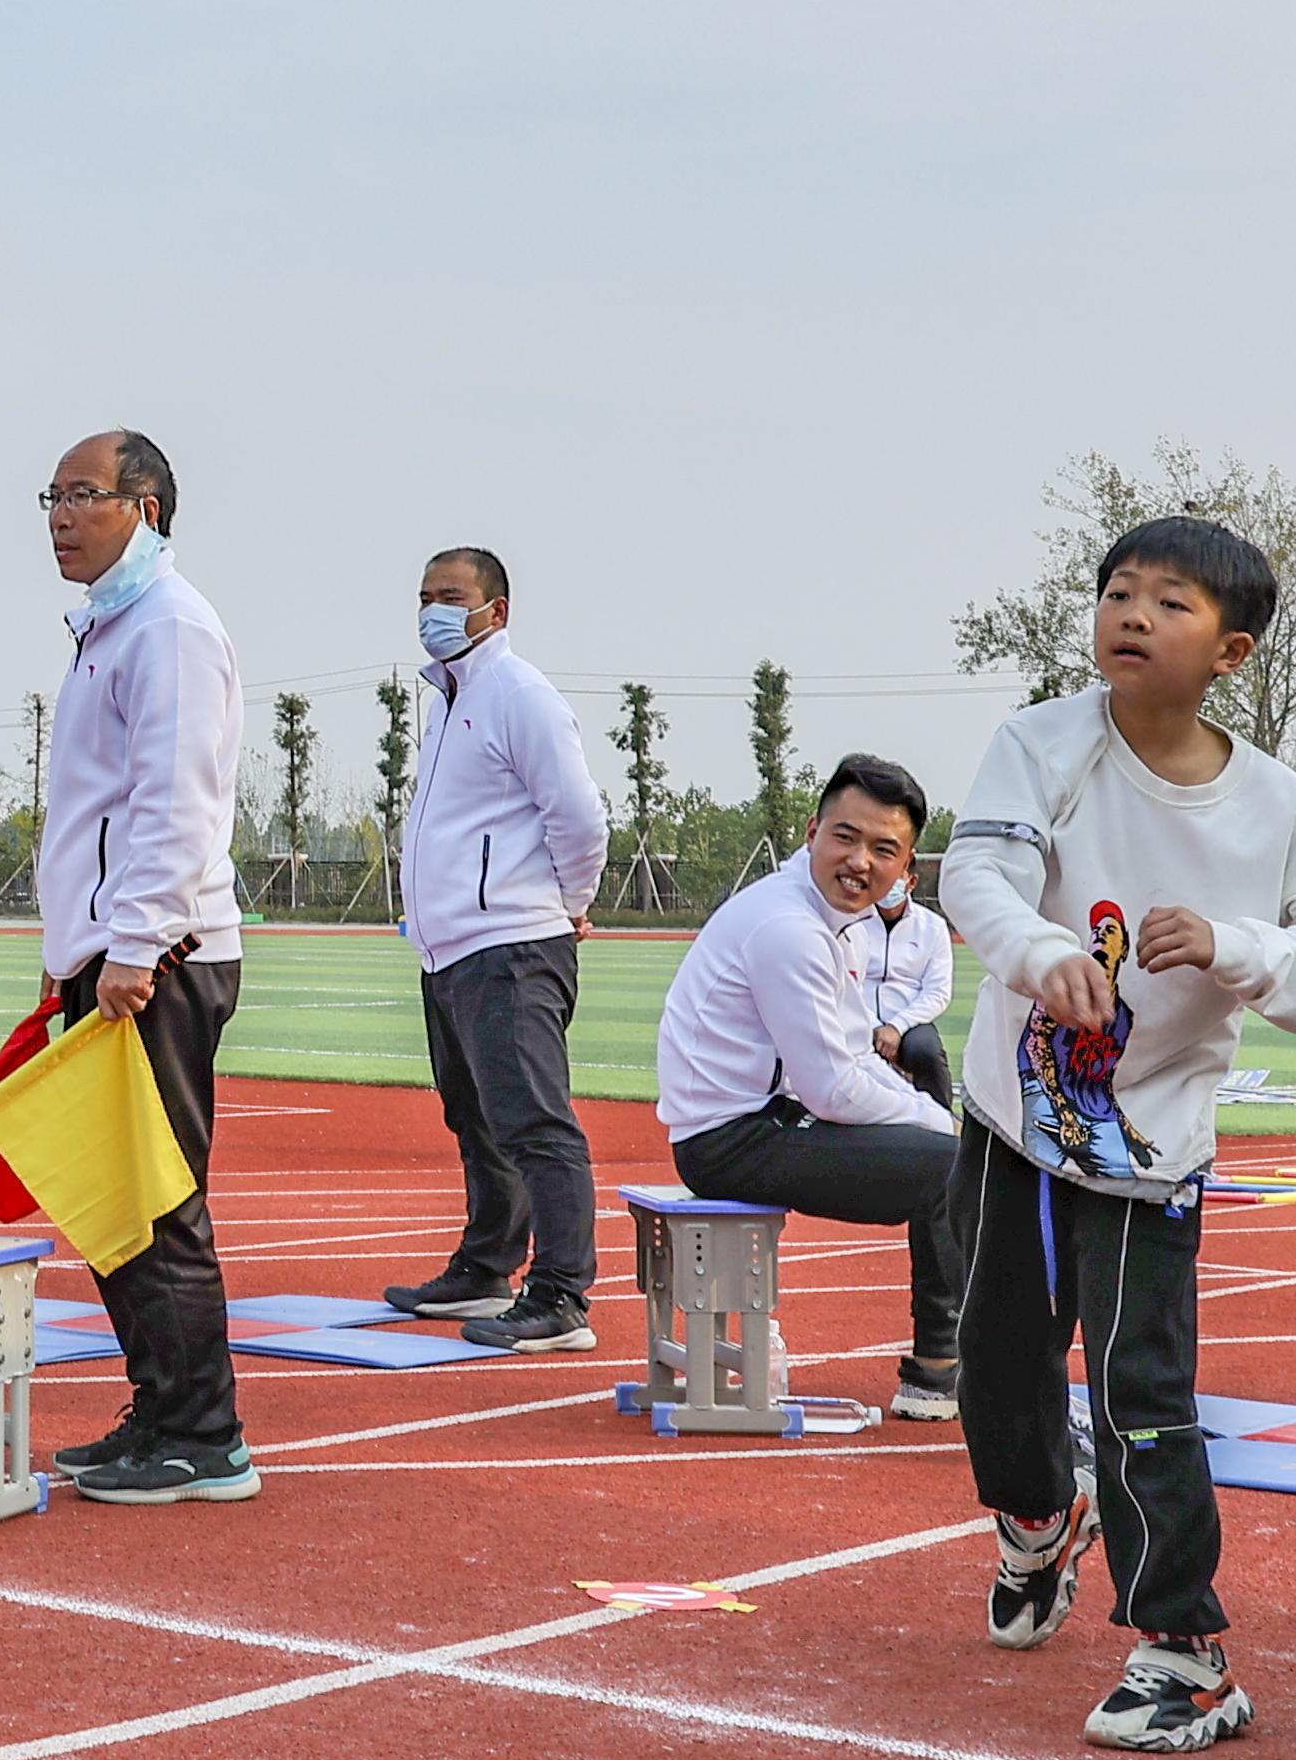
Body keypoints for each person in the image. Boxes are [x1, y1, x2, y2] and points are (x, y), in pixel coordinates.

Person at [937, 513, 1296, 1756]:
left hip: (1152, 1145)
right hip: (1015, 1122)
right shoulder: (1043, 743)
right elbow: (976, 875)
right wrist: (1036, 957)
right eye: (1118, 592)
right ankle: (1038, 1519)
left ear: (1232, 650)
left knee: (1141, 1388)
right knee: (996, 1364)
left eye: (1170, 601)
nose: (1132, 614)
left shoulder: (1278, 811)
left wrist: (1243, 948)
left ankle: (1182, 1651)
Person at [27, 430, 258, 1507]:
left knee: (159, 1204)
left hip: (158, 961)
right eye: (54, 497)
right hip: (111, 956)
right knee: (112, 1199)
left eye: (85, 495)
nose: (62, 516)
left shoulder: (170, 629)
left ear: (147, 507)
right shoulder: (111, 630)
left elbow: (177, 802)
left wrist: (131, 947)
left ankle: (205, 1434)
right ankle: (160, 1409)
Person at [651, 756, 962, 1420]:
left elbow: (854, 1055)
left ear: (906, 868)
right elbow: (832, 1090)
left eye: (884, 849)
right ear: (812, 830)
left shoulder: (826, 919)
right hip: (729, 1140)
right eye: (845, 837)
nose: (859, 861)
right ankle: (948, 1365)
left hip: (760, 1119)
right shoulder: (789, 927)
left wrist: (928, 1114)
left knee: (952, 1154)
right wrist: (939, 1126)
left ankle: (945, 1360)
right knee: (957, 1171)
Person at [384, 547, 613, 1352]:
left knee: (532, 1121)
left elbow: (580, 820)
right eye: (424, 597)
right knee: (476, 1117)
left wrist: (566, 906)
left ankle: (560, 1294)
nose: (433, 611)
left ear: (497, 611)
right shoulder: (449, 703)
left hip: (512, 942)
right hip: (450, 951)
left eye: (452, 597)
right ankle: (487, 1267)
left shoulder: (521, 696)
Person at [870, 873, 957, 1108]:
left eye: (897, 876)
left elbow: (938, 992)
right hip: (857, 1016)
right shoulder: (852, 921)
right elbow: (844, 983)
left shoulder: (932, 927)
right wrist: (873, 1026)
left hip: (909, 1019)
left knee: (926, 1052)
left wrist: (896, 1027)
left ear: (912, 882)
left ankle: (945, 1127)